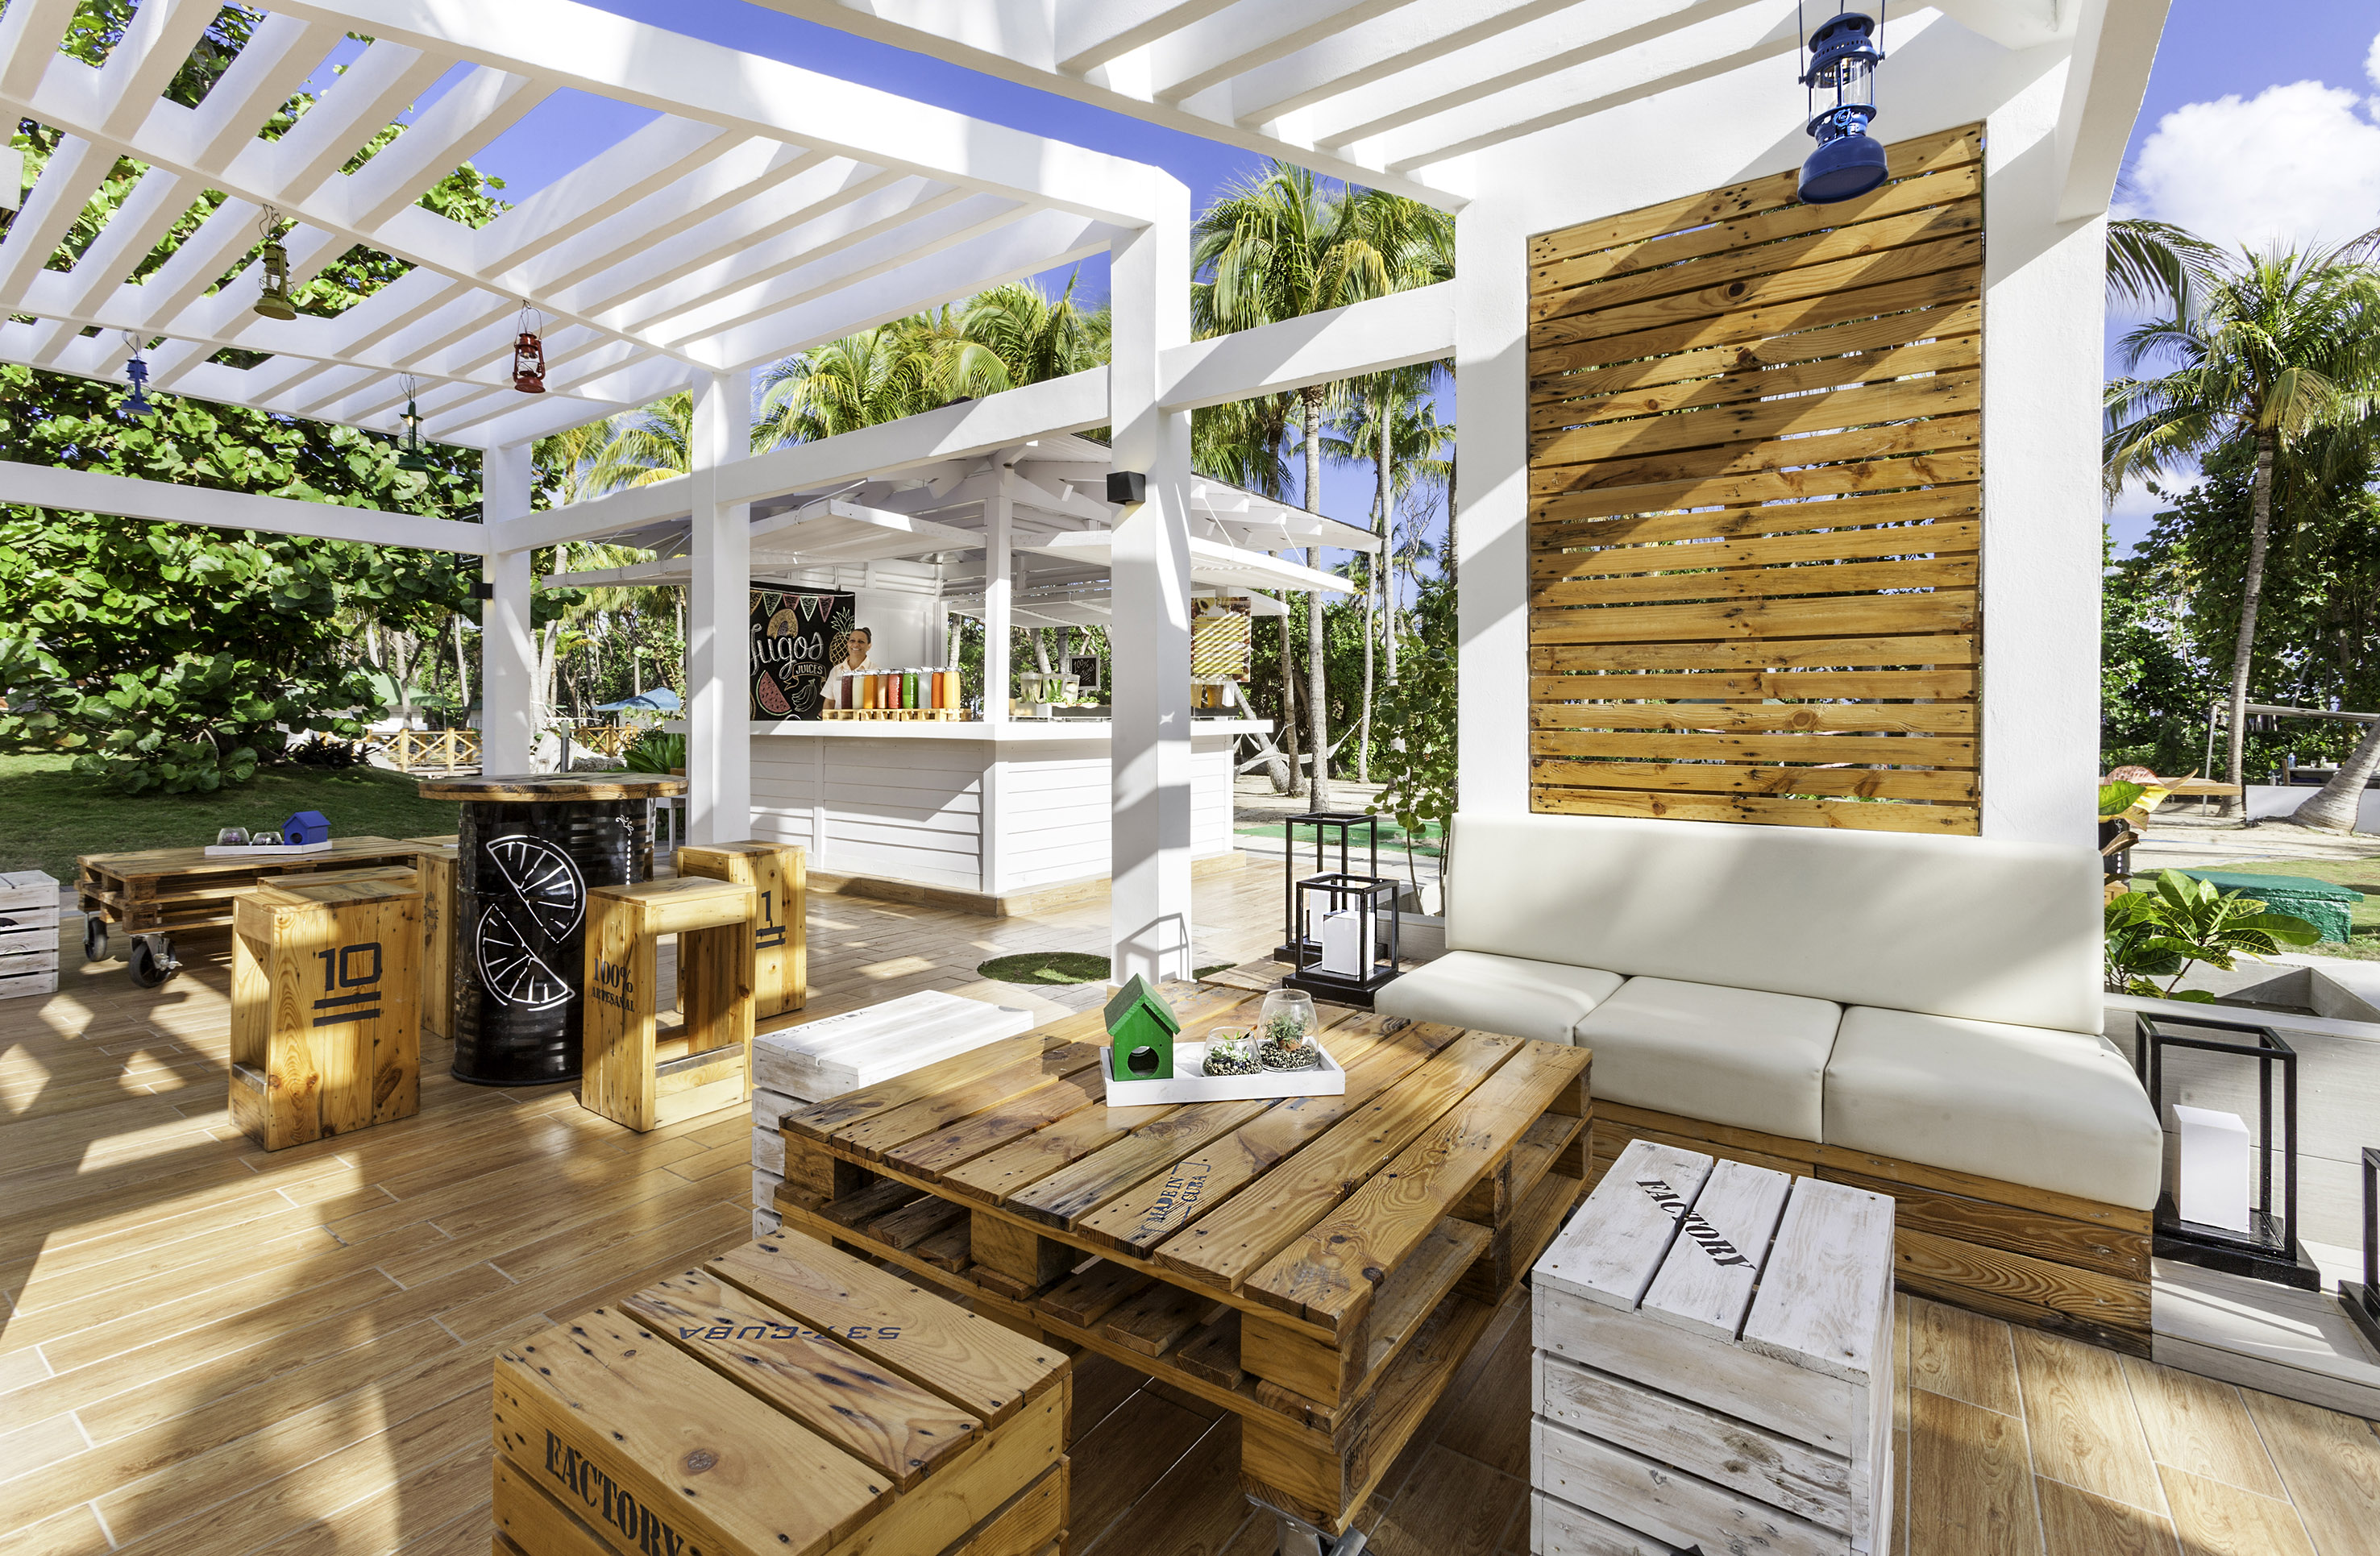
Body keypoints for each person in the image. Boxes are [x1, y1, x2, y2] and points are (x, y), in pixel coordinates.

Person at [830, 627, 877, 705]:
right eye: (852, 641)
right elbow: (829, 702)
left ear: (869, 646)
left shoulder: (876, 672)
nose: (856, 644)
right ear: (847, 643)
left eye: (861, 642)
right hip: (839, 717)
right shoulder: (836, 670)